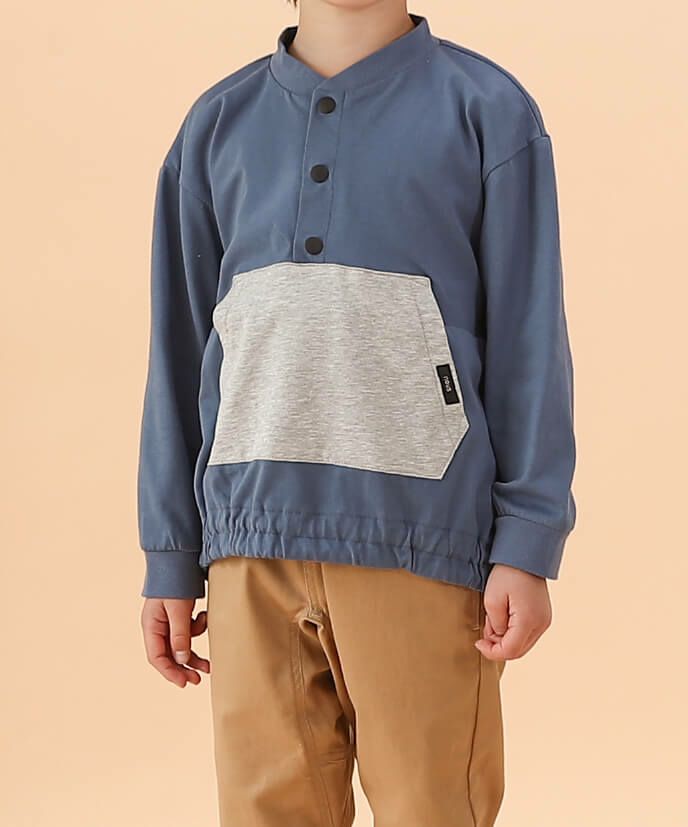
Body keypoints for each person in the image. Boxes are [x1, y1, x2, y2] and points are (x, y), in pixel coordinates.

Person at [137, 2, 577, 824]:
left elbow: (531, 337)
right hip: (249, 544)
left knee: (432, 806)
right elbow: (181, 349)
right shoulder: (216, 126)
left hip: (420, 537)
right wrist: (171, 552)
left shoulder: (486, 111)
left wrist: (528, 538)